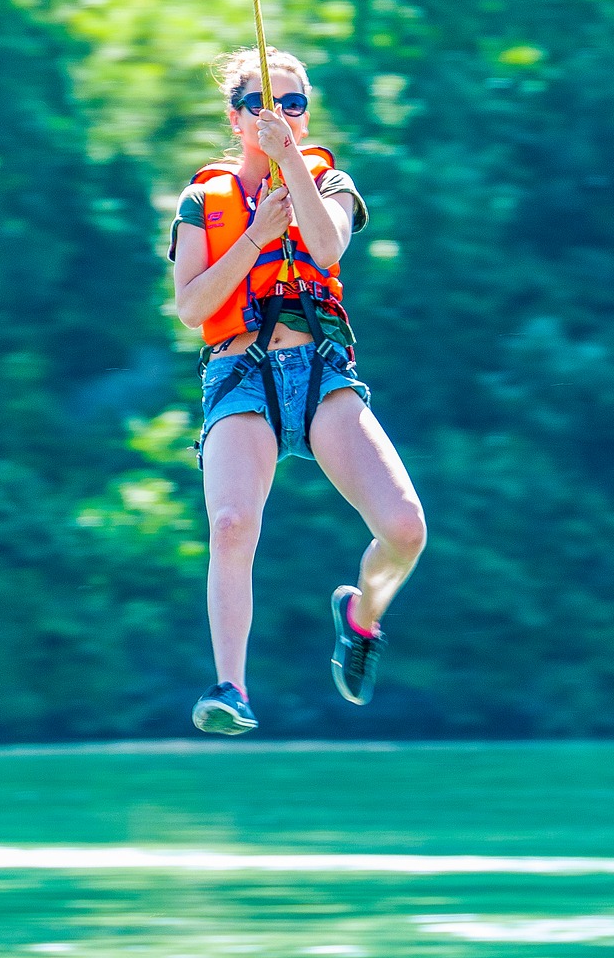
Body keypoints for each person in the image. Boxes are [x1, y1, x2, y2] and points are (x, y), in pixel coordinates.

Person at [169, 46, 427, 733]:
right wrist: (255, 236)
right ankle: (231, 687)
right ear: (235, 119)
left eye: (291, 104)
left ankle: (360, 617)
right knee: (230, 524)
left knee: (404, 531)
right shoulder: (204, 202)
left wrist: (293, 174)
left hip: (317, 370)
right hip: (239, 369)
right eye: (260, 104)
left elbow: (326, 248)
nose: (276, 114)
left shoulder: (329, 182)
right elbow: (192, 307)